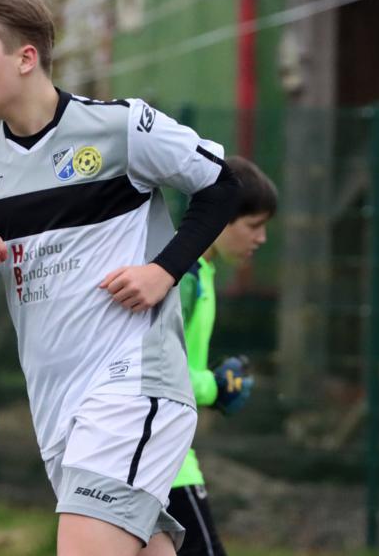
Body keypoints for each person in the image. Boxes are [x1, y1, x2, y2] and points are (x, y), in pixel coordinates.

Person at [0, 0, 241, 556]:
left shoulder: (122, 128)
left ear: (26, 58)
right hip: (55, 403)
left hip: (131, 385)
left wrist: (164, 271)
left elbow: (223, 185)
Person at [166, 156, 278, 556]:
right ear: (219, 218)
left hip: (161, 455)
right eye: (254, 225)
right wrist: (214, 386)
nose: (261, 238)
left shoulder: (199, 271)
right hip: (167, 465)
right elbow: (158, 371)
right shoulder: (184, 278)